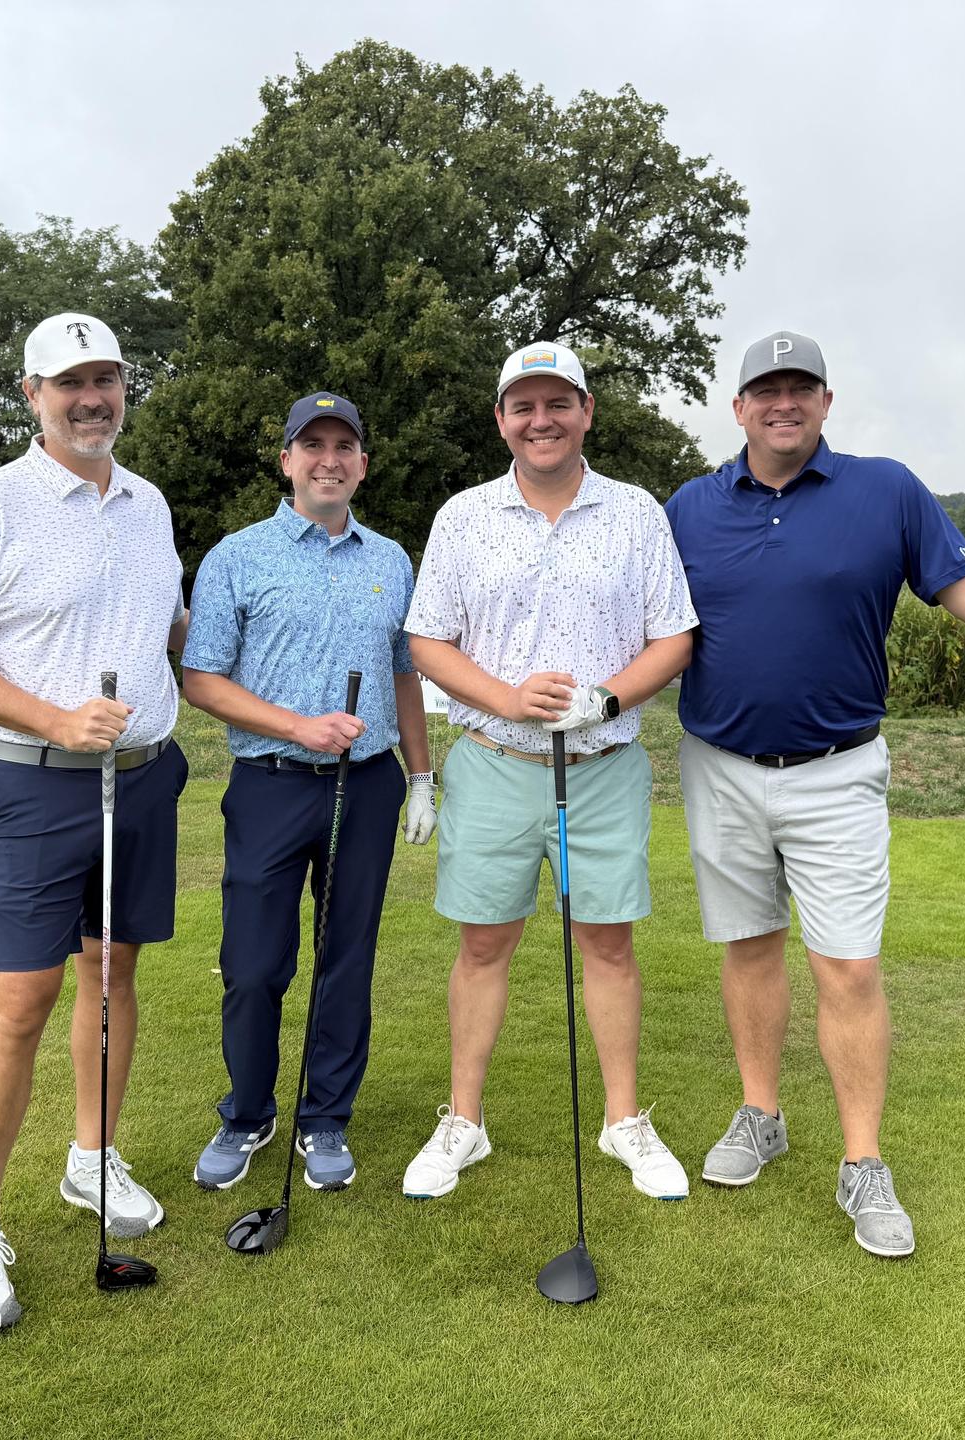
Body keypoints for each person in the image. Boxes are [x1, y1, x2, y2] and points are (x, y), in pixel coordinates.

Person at [664, 329, 965, 1258]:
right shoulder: (689, 507)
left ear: (827, 403)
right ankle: (760, 1113)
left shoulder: (886, 490)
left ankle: (862, 1164)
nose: (784, 404)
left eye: (802, 389)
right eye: (767, 390)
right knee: (749, 947)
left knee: (847, 965)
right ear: (739, 408)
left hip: (838, 772)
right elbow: (638, 620)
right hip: (718, 767)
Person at [0, 312, 190, 1330]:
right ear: (30, 394)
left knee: (112, 974)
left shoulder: (149, 504)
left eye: (107, 378)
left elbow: (157, 628)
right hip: (36, 784)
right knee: (19, 998)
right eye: (70, 381)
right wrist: (55, 720)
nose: (92, 397)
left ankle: (93, 1157)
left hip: (145, 778)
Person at [401, 342, 698, 1202]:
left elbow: (674, 634)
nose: (541, 420)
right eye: (523, 406)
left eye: (557, 403)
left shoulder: (636, 512)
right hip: (493, 763)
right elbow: (427, 638)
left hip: (603, 766)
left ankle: (624, 1122)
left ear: (586, 411)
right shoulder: (463, 515)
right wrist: (502, 697)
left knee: (607, 941)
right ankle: (465, 1120)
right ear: (501, 420)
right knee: (483, 942)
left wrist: (606, 699)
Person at [180, 392, 435, 1193]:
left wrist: (422, 777)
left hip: (366, 789)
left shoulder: (392, 561)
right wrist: (297, 726)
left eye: (344, 445)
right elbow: (202, 679)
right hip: (270, 784)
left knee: (345, 958)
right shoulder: (237, 557)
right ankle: (249, 1110)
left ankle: (324, 1118)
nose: (329, 459)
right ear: (286, 459)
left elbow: (404, 676)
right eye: (311, 445)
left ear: (362, 461)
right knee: (253, 965)